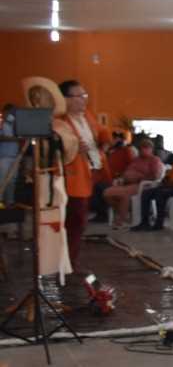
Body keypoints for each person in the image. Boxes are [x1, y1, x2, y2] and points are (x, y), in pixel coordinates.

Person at [53, 80, 113, 268]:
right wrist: (74, 147)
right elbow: (58, 147)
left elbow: (104, 132)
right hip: (73, 176)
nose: (83, 100)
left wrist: (104, 142)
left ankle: (71, 258)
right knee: (75, 219)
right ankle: (68, 261)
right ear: (66, 99)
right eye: (79, 96)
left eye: (84, 95)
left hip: (94, 171)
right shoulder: (59, 121)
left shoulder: (87, 115)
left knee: (81, 219)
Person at [103, 138, 165, 228]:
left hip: (143, 185)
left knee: (124, 195)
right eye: (142, 148)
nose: (143, 150)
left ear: (151, 149)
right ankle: (124, 212)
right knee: (106, 193)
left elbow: (156, 176)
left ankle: (121, 220)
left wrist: (139, 177)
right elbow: (127, 172)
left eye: (146, 147)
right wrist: (122, 179)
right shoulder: (136, 159)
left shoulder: (154, 160)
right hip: (127, 184)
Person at [0, 104, 18, 208]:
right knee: (2, 180)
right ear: (6, 112)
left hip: (14, 156)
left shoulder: (14, 125)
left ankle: (10, 202)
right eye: (12, 112)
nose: (13, 114)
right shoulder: (1, 123)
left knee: (12, 180)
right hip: (3, 156)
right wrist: (11, 139)